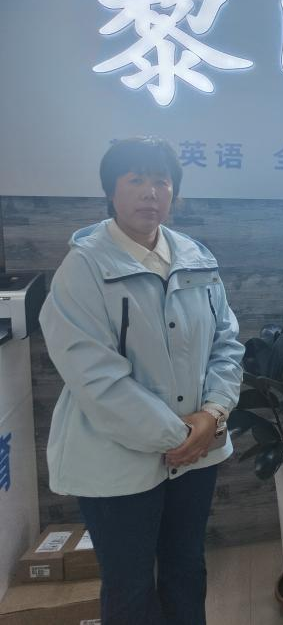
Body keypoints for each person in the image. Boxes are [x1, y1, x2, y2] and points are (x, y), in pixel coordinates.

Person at [39, 137, 244, 625]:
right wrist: (182, 436)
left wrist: (213, 413)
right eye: (135, 180)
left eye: (161, 181)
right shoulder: (84, 267)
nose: (150, 192)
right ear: (111, 191)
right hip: (118, 458)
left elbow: (227, 344)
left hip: (196, 454)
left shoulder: (196, 258)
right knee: (129, 586)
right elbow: (95, 377)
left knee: (186, 569)